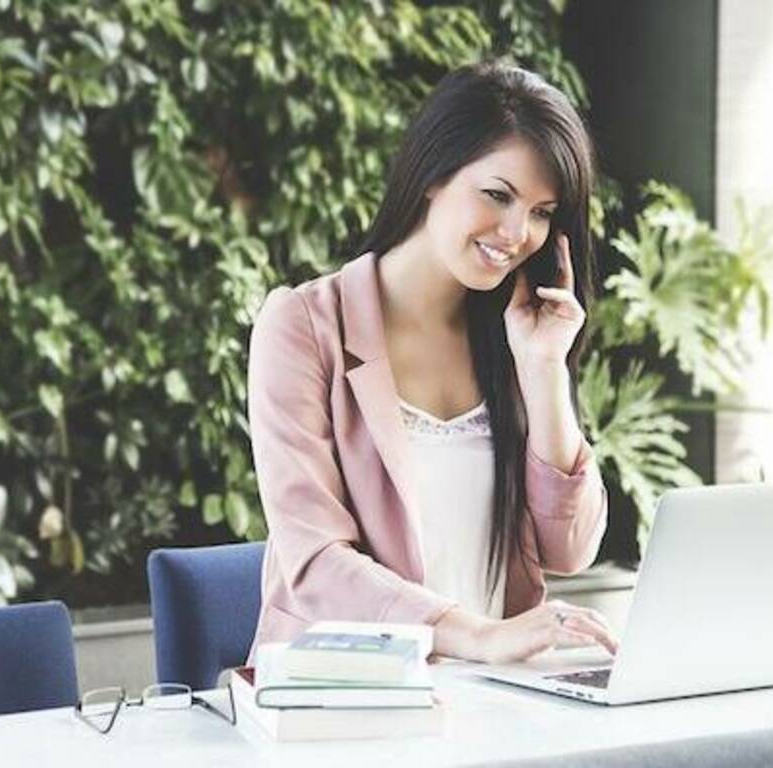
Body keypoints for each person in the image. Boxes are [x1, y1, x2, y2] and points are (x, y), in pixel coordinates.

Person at [246, 62, 616, 665]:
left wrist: (545, 372)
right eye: (498, 195)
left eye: (544, 211)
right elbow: (313, 563)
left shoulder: (515, 334)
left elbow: (570, 550)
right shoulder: (305, 326)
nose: (518, 232)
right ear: (431, 176)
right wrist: (476, 635)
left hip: (498, 702)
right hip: (347, 696)